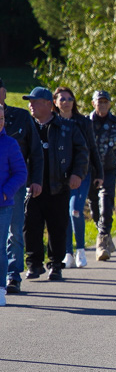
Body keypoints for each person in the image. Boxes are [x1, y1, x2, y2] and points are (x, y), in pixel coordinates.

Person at [22, 87, 88, 281]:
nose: (31, 105)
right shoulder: (27, 127)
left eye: (35, 102)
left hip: (58, 185)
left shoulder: (68, 127)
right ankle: (34, 264)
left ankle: (56, 265)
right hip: (32, 186)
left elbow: (82, 152)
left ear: (49, 105)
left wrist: (77, 174)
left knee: (57, 226)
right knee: (31, 225)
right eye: (30, 102)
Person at [1, 78, 44, 295]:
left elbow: (36, 151)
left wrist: (36, 180)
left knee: (15, 231)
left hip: (15, 186)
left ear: (4, 93)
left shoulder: (20, 117)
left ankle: (12, 275)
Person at [53, 87, 103, 269]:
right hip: (59, 176)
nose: (66, 102)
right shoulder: (52, 122)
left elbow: (92, 148)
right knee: (65, 212)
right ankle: (68, 253)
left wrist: (100, 174)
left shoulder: (83, 122)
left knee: (75, 210)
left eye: (69, 99)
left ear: (74, 102)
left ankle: (80, 250)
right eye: (62, 99)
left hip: (82, 174)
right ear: (55, 102)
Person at [88, 90, 116, 261]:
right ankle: (106, 236)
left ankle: (101, 242)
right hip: (90, 171)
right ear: (93, 104)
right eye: (99, 102)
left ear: (110, 104)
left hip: (108, 170)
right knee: (94, 208)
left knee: (106, 204)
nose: (103, 105)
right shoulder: (85, 123)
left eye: (106, 102)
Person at [0, 107, 28, 306]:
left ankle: (1, 288)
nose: (0, 121)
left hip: (3, 205)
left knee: (0, 248)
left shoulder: (10, 144)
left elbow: (20, 173)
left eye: (1, 118)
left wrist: (5, 192)